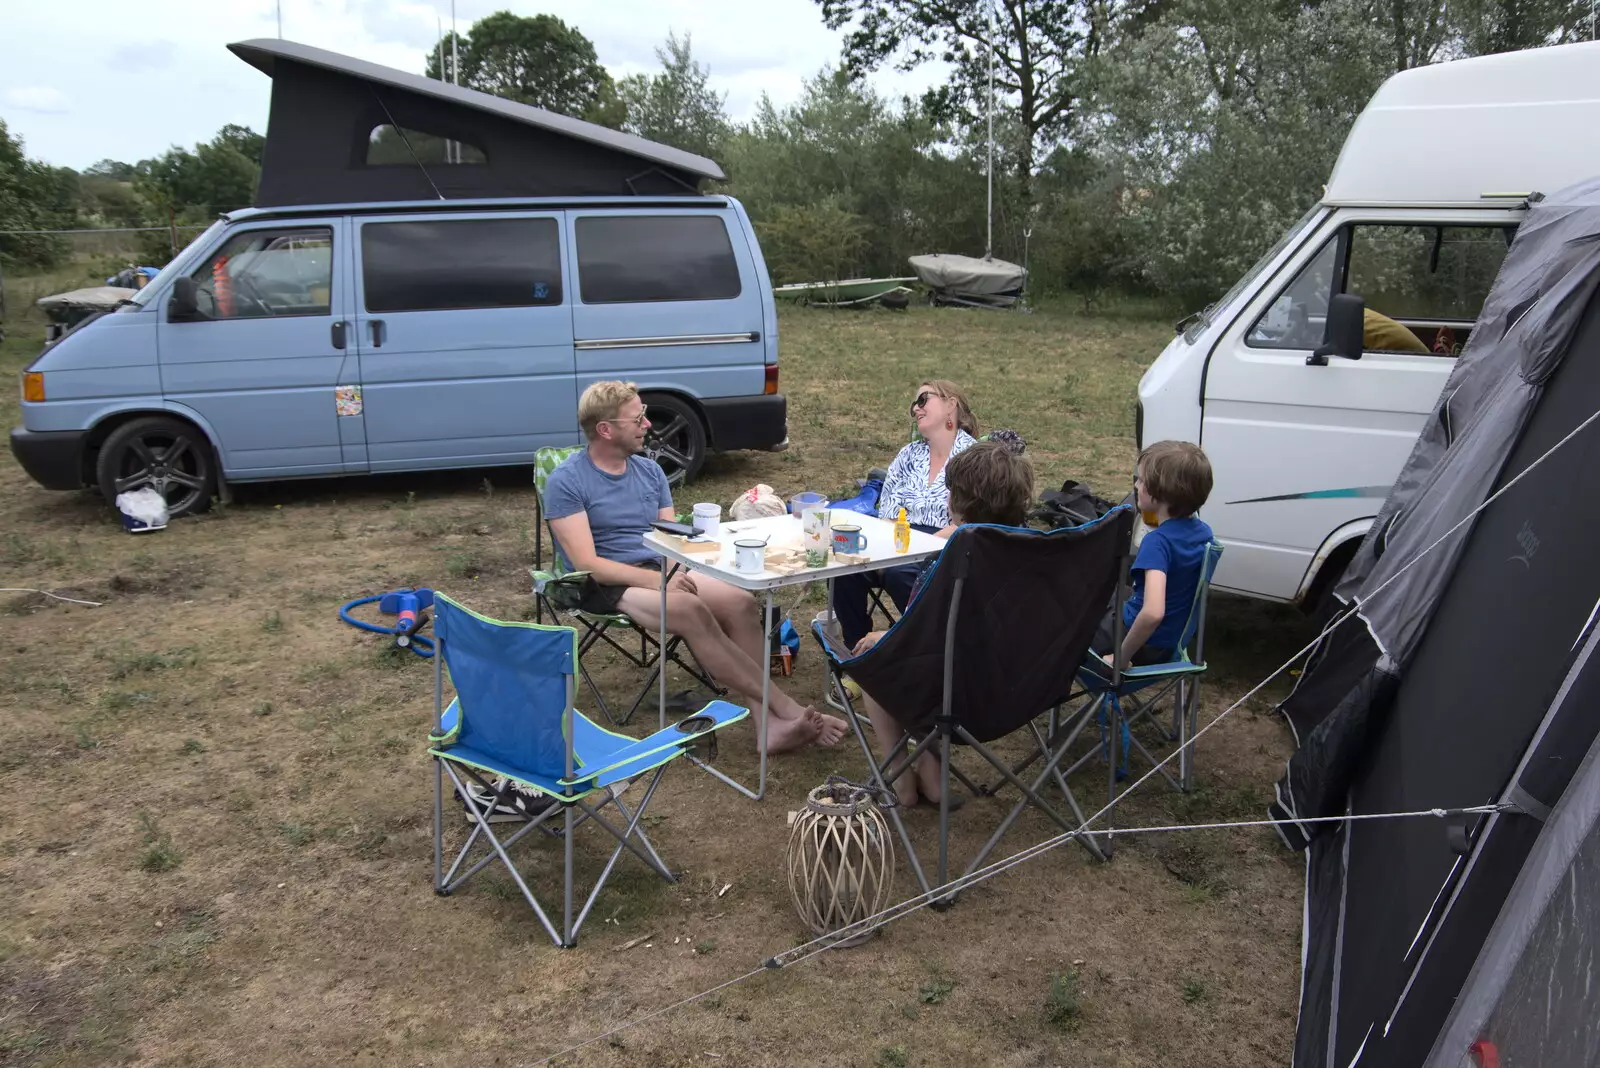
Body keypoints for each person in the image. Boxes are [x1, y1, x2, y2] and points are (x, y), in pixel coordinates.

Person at [544, 380, 846, 753]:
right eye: (637, 418)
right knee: (688, 608)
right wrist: (661, 582)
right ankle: (786, 707)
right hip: (606, 584)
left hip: (662, 572)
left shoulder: (650, 472)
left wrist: (676, 573)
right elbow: (589, 564)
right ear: (605, 430)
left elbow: (670, 538)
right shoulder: (567, 482)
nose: (648, 424)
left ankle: (766, 726)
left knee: (740, 602)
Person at [849, 441, 1035, 808]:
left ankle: (902, 779)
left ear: (958, 503)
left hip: (955, 696)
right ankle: (933, 777)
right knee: (932, 662)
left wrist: (882, 637)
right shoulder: (1038, 550)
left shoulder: (951, 563)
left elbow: (923, 636)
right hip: (1019, 687)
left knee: (878, 659)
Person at [830, 380, 980, 651]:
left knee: (901, 573)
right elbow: (887, 514)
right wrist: (888, 548)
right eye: (913, 404)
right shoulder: (908, 455)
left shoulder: (974, 457)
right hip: (899, 541)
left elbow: (971, 522)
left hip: (951, 545)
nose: (915, 408)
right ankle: (859, 655)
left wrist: (914, 549)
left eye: (923, 400)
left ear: (950, 405)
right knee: (845, 566)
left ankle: (925, 647)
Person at [1096, 440, 1215, 668]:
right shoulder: (1204, 534)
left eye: (1141, 480)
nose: (1137, 486)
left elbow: (1152, 613)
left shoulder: (1157, 543)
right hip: (1171, 643)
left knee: (1074, 609)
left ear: (1157, 493)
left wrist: (1121, 658)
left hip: (1138, 644)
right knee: (1116, 592)